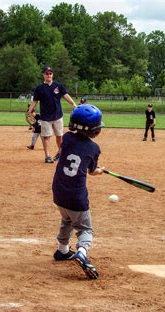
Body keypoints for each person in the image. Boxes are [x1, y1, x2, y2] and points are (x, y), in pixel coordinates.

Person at [52, 104, 105, 280]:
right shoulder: (94, 148)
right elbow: (92, 171)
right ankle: (82, 252)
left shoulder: (66, 138)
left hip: (59, 192)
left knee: (66, 218)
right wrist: (100, 170)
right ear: (95, 130)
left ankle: (63, 251)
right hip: (77, 196)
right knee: (85, 229)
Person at [28, 66, 77, 164]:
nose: (49, 75)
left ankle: (60, 153)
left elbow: (65, 95)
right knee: (47, 137)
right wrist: (30, 111)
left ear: (52, 74)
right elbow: (35, 101)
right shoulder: (39, 88)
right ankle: (47, 156)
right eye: (47, 73)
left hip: (58, 116)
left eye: (50, 73)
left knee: (59, 136)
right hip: (45, 117)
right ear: (44, 75)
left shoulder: (58, 86)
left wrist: (73, 104)